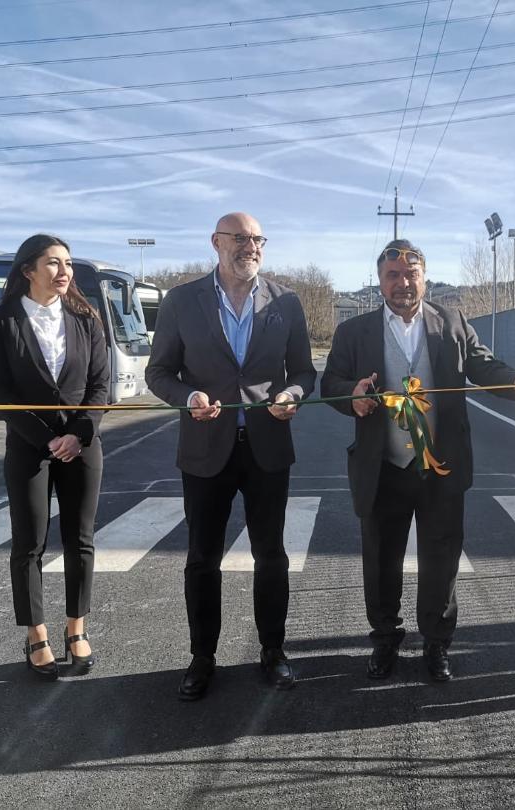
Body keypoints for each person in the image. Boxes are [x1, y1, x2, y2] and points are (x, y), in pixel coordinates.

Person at [321, 239, 515, 683]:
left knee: (442, 559)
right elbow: (332, 384)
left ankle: (437, 643)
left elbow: (482, 365)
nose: (403, 283)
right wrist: (353, 397)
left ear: (425, 275)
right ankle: (385, 640)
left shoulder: (453, 322)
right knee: (381, 560)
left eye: (411, 274)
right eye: (393, 275)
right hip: (383, 467)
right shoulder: (354, 331)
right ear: (380, 280)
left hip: (441, 467)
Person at [146, 212, 316, 701]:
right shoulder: (182, 300)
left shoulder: (286, 301)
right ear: (215, 243)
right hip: (204, 450)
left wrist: (294, 394)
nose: (251, 246)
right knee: (202, 558)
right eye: (240, 238)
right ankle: (202, 657)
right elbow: (160, 374)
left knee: (271, 556)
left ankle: (273, 651)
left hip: (267, 446)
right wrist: (189, 398)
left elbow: (304, 370)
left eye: (258, 238)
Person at [0, 234, 109, 681]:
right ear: (27, 270)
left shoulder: (86, 318)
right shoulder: (0, 321)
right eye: (53, 263)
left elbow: (99, 386)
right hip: (28, 448)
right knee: (29, 543)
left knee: (81, 540)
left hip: (83, 445)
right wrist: (45, 439)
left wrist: (78, 435)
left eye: (68, 263)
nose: (64, 271)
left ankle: (77, 629)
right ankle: (37, 634)